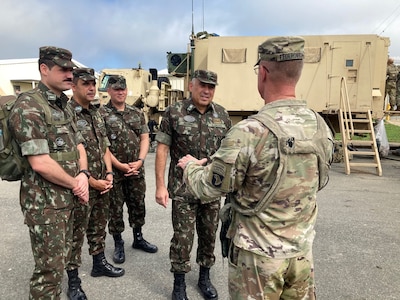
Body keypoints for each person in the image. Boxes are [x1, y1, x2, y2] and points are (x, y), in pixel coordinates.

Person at [177, 37, 334, 300]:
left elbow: (208, 188)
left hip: (257, 262)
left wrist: (190, 166)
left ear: (262, 72)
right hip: (301, 255)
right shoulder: (320, 127)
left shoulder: (249, 132)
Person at [8, 46, 89, 299]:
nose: (69, 74)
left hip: (70, 200)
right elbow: (40, 162)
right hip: (47, 206)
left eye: (70, 69)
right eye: (63, 69)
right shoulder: (29, 105)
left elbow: (78, 146)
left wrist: (84, 175)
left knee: (64, 262)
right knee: (49, 274)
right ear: (44, 69)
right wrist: (76, 184)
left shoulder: (64, 106)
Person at [155, 70, 232, 300]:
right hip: (182, 189)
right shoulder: (174, 112)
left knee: (209, 235)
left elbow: (227, 154)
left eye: (212, 87)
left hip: (210, 190)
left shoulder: (222, 115)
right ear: (192, 86)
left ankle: (204, 277)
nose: (207, 91)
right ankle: (179, 283)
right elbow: (162, 149)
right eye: (203, 86)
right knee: (183, 238)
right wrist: (160, 186)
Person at [66, 68, 125, 300]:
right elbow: (70, 156)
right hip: (81, 185)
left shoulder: (97, 113)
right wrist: (92, 182)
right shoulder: (68, 113)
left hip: (103, 182)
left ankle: (98, 263)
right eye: (85, 84)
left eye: (93, 83)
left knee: (99, 226)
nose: (91, 88)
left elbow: (105, 148)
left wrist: (109, 175)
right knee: (75, 233)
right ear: (74, 86)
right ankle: (73, 281)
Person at [100, 75, 158, 265]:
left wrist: (140, 161)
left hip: (135, 170)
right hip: (115, 171)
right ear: (109, 91)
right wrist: (118, 164)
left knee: (137, 205)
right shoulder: (101, 114)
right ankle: (118, 243)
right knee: (115, 209)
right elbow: (103, 145)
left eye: (123, 89)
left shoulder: (136, 113)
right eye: (116, 89)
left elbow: (144, 138)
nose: (120, 92)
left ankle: (138, 238)